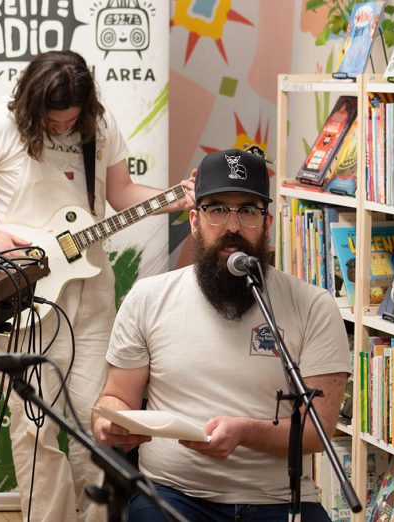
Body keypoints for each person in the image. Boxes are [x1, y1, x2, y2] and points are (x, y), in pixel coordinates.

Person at [0, 50, 195, 522]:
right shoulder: (0, 125)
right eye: (51, 121)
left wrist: (179, 198)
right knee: (35, 430)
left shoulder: (101, 126)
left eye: (70, 120)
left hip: (91, 288)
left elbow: (121, 193)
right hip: (27, 292)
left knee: (99, 422)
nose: (60, 128)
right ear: (32, 104)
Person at [92, 148, 350, 521]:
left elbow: (316, 430)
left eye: (248, 210)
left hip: (278, 501)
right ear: (195, 221)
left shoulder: (312, 306)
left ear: (267, 222)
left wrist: (245, 432)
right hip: (173, 496)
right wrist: (110, 421)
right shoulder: (149, 298)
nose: (232, 226)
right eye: (217, 209)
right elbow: (116, 396)